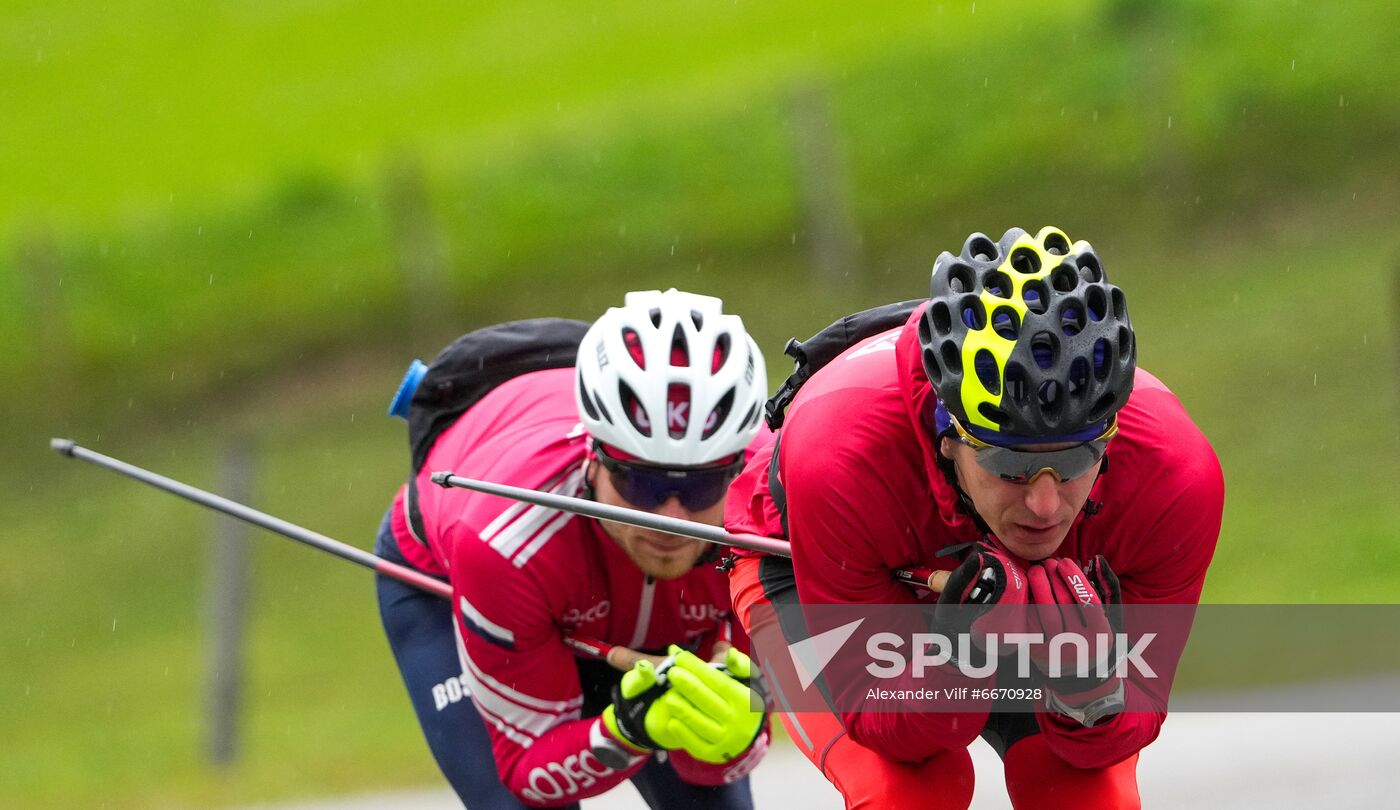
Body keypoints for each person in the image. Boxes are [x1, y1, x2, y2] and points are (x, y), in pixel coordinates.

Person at [725, 227, 1224, 809]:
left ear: (1109, 436)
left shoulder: (1174, 477)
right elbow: (880, 722)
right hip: (799, 556)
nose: (1044, 504)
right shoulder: (840, 457)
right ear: (947, 435)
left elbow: (1135, 711)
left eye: (1073, 462)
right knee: (913, 792)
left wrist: (1089, 689)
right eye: (1010, 465)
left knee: (1083, 795)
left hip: (994, 593)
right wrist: (960, 664)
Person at [376, 289, 772, 809]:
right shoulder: (504, 541)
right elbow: (525, 771)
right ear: (594, 456)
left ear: (736, 469)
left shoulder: (773, 511)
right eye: (641, 485)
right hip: (463, 581)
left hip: (617, 607)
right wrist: (627, 732)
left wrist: (736, 737)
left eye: (701, 488)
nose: (671, 519)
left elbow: (715, 763)